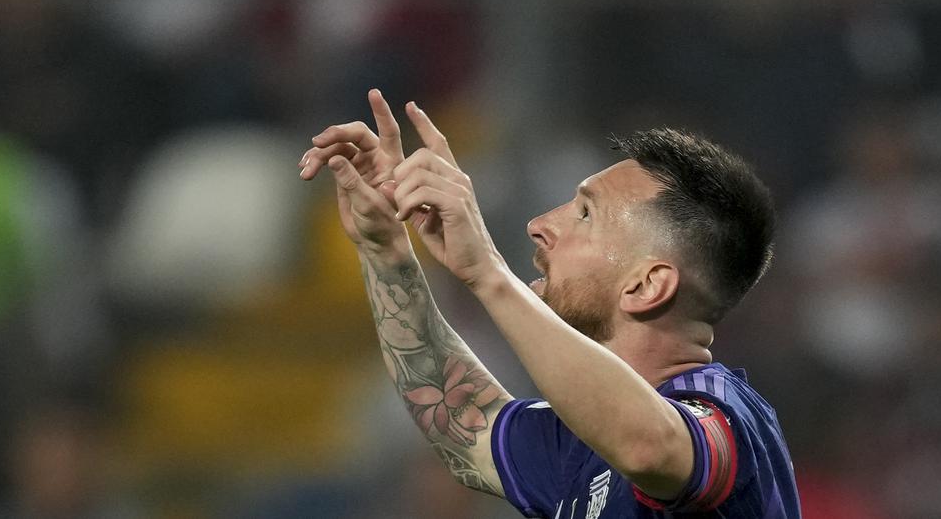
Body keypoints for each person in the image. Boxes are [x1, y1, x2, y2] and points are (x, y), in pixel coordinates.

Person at [299, 89, 801, 518]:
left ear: (646, 285)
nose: (540, 223)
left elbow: (650, 447)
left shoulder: (727, 415)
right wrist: (384, 248)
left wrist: (489, 274)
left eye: (584, 214)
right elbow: (464, 428)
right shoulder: (574, 444)